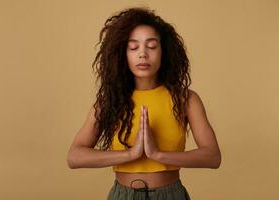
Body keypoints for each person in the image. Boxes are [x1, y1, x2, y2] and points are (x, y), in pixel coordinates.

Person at [67, 6, 221, 200]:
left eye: (152, 46)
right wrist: (130, 154)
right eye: (133, 47)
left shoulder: (186, 99)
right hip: (123, 195)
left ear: (164, 51)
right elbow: (74, 157)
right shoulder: (110, 100)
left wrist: (158, 155)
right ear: (122, 54)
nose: (143, 54)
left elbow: (213, 157)